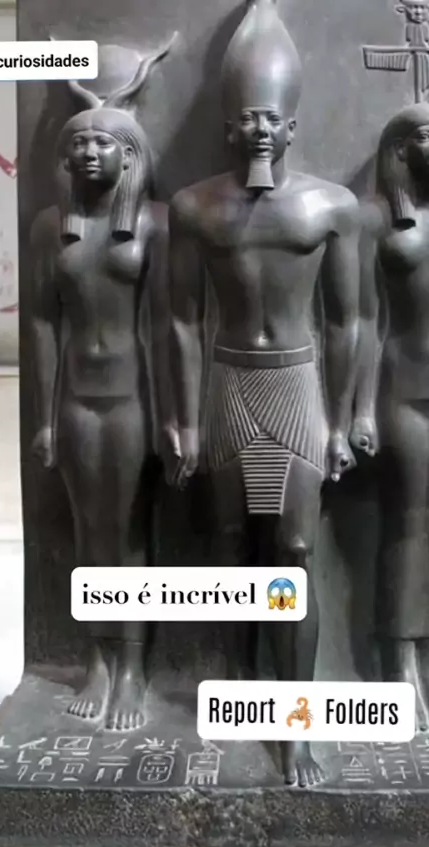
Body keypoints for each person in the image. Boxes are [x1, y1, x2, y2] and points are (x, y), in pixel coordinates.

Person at [164, 0, 360, 787]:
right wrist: (182, 419)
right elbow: (181, 319)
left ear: (291, 125)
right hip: (228, 385)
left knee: (295, 553)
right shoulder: (195, 208)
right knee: (233, 547)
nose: (258, 130)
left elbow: (348, 321)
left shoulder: (328, 207)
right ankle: (242, 695)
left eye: (269, 119)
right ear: (227, 126)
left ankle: (294, 722)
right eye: (246, 118)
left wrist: (345, 419)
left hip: (296, 389)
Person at [30, 53, 172, 732]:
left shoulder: (154, 224)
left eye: (103, 143)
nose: (89, 152)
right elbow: (41, 323)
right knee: (89, 532)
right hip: (76, 400)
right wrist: (44, 418)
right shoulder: (49, 229)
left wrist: (173, 417)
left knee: (128, 531)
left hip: (133, 400)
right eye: (80, 142)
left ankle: (134, 666)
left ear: (130, 155)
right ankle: (97, 655)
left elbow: (169, 327)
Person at [351, 102, 429, 731]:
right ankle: (400, 657)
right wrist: (359, 410)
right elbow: (364, 321)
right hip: (403, 391)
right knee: (410, 524)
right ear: (402, 149)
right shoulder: (376, 219)